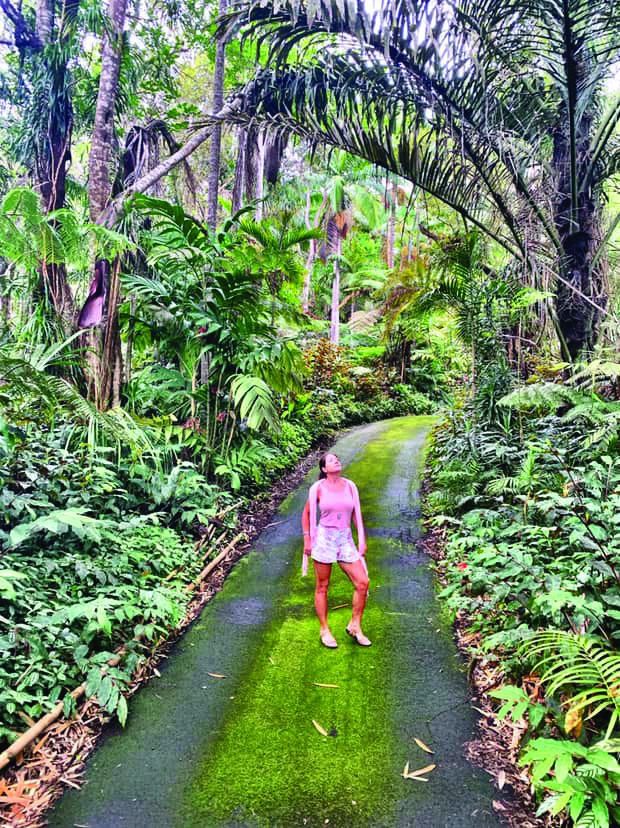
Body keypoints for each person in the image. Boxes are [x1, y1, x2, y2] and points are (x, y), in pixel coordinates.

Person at [301, 452, 371, 648]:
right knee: (322, 586)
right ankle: (324, 629)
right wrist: (307, 539)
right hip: (324, 539)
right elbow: (306, 515)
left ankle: (355, 625)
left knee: (363, 582)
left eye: (337, 458)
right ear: (324, 469)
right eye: (331, 460)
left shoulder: (350, 486)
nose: (337, 461)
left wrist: (362, 540)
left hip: (345, 538)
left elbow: (356, 515)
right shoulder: (318, 489)